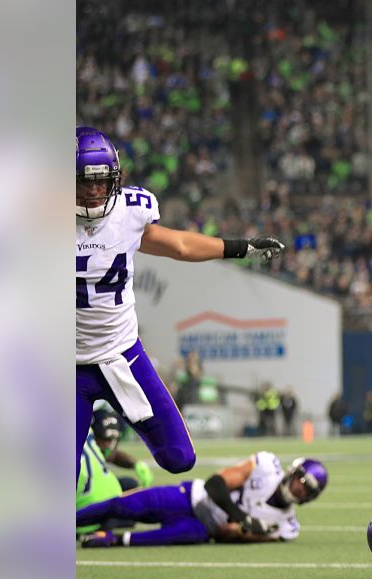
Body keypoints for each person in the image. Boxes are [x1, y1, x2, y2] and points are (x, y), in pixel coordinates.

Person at [75, 126, 286, 478]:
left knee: (179, 458)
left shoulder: (128, 212)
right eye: (86, 180)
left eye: (103, 180)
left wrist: (241, 247)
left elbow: (180, 245)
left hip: (121, 355)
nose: (97, 190)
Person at [76, 454, 328, 547]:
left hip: (203, 528)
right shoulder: (266, 466)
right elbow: (214, 484)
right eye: (301, 482)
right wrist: (245, 519)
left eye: (308, 491)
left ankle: (113, 539)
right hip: (191, 497)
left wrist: (242, 532)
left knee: (176, 536)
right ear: (293, 473)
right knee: (123, 505)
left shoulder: (288, 527)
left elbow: (222, 534)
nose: (300, 491)